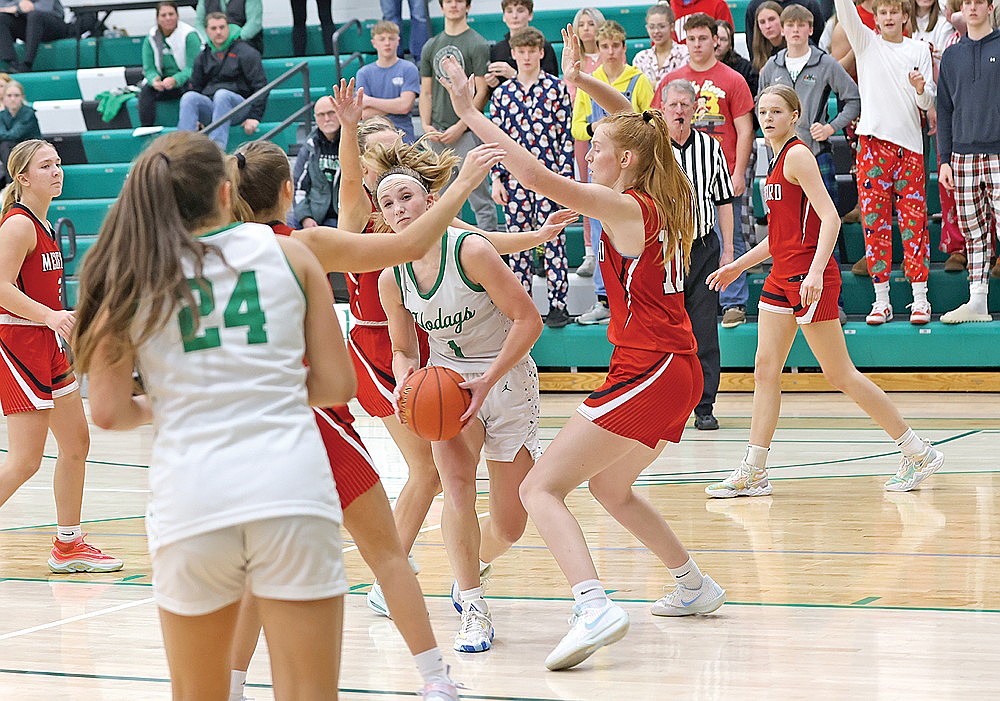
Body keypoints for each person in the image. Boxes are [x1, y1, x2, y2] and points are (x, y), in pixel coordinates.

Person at [439, 41, 726, 672]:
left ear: (622, 160)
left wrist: (472, 112)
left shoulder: (626, 206)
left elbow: (538, 179)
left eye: (595, 147)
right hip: (671, 368)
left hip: (651, 368)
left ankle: (591, 604)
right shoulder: (658, 179)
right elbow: (636, 121)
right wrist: (583, 80)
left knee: (542, 486)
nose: (587, 152)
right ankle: (693, 582)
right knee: (610, 486)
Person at [73, 130, 351, 701]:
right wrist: (256, 387)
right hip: (292, 489)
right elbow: (334, 384)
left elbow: (106, 412)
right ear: (228, 194)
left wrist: (180, 399)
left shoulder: (133, 273)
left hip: (193, 498)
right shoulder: (290, 253)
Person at [223, 139, 499, 701]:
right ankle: (435, 679)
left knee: (259, 564)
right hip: (312, 420)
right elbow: (411, 241)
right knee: (387, 556)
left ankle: (229, 684)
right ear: (286, 192)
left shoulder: (208, 258)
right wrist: (465, 183)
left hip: (245, 429)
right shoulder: (304, 245)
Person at [326, 81, 574, 623]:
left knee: (497, 514)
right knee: (434, 476)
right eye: (380, 177)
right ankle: (404, 578)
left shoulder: (439, 225)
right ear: (369, 177)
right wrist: (347, 128)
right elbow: (348, 182)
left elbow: (483, 243)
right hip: (382, 348)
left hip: (450, 351)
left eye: (405, 189)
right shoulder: (362, 221)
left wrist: (538, 236)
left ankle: (446, 567)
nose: (394, 199)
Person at [707, 85, 946, 498]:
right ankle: (754, 469)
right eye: (762, 111)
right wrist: (737, 266)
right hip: (781, 276)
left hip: (807, 278)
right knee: (765, 370)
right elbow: (779, 236)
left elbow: (831, 218)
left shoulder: (798, 155)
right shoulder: (774, 159)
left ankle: (917, 450)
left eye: (776, 111)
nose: (767, 118)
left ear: (795, 115)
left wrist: (817, 273)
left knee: (840, 374)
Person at [377, 136, 545, 656]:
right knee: (454, 490)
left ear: (430, 199)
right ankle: (472, 605)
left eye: (406, 196)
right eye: (387, 202)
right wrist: (408, 380)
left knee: (511, 522)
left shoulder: (470, 249)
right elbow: (403, 348)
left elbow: (528, 319)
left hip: (505, 375)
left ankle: (473, 567)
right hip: (448, 382)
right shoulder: (392, 275)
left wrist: (489, 380)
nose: (399, 209)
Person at [0, 139, 122, 574]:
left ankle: (68, 545)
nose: (57, 171)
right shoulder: (17, 225)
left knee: (76, 443)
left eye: (58, 163)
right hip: (20, 344)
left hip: (47, 343)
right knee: (25, 460)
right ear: (23, 177)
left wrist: (60, 320)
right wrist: (50, 316)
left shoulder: (45, 225)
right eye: (45, 165)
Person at [835, 0, 936, 325]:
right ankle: (882, 301)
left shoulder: (918, 49)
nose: (889, 17)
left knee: (914, 225)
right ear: (875, 18)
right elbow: (845, 10)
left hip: (910, 147)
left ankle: (920, 299)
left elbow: (927, 99)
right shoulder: (866, 43)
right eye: (884, 12)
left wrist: (921, 89)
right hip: (872, 146)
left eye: (895, 12)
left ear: (904, 16)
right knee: (875, 225)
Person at [656, 13, 755, 328]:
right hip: (678, 176)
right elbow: (656, 126)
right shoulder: (671, 82)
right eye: (692, 38)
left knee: (731, 235)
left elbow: (745, 129)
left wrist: (738, 170)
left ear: (716, 40)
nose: (697, 44)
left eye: (703, 38)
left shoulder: (732, 79)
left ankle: (733, 301)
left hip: (720, 165)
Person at [489, 27, 575, 328]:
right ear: (513, 53)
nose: (526, 57)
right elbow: (495, 140)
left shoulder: (556, 89)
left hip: (550, 177)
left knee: (554, 240)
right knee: (518, 243)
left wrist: (565, 180)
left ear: (541, 52)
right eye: (520, 51)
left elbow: (566, 137)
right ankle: (522, 307)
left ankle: (558, 305)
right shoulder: (502, 94)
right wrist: (496, 179)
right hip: (514, 183)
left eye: (531, 51)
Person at [662, 78, 735, 431]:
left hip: (704, 246)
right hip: (663, 249)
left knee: (704, 330)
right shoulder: (653, 149)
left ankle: (705, 407)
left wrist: (730, 251)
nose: (678, 111)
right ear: (662, 109)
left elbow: (724, 201)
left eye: (684, 105)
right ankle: (667, 403)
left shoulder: (710, 148)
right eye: (672, 105)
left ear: (695, 109)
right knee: (667, 330)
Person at [571, 20, 654, 325]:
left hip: (632, 172)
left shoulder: (639, 80)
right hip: (605, 169)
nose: (609, 51)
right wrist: (596, 129)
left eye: (614, 45)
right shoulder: (589, 81)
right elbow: (577, 127)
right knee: (600, 229)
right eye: (604, 46)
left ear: (623, 47)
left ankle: (635, 296)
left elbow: (649, 124)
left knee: (631, 233)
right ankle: (605, 299)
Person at [759, 4, 861, 210]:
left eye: (801, 25)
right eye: (790, 25)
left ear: (811, 29)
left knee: (826, 217)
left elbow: (854, 100)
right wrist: (768, 132)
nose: (796, 30)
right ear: (782, 29)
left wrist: (831, 128)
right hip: (780, 155)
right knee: (784, 218)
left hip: (815, 151)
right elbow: (758, 105)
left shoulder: (825, 63)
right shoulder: (772, 66)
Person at [938, 0, 1000, 323]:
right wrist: (944, 160)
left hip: (998, 153)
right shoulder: (951, 55)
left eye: (979, 2)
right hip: (961, 157)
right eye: (967, 2)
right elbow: (944, 111)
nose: (973, 7)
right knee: (973, 231)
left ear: (991, 7)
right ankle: (977, 301)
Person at [419, 0, 496, 232]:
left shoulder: (478, 43)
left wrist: (461, 125)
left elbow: (482, 91)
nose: (453, 5)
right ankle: (448, 252)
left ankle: (492, 252)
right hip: (437, 134)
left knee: (479, 197)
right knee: (441, 200)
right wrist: (425, 125)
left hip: (466, 133)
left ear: (468, 7)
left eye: (459, 1)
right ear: (441, 7)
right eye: (448, 1)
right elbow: (426, 91)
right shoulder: (431, 45)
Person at [178, 12, 267, 151]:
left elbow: (260, 86)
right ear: (207, 31)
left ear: (228, 28)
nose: (218, 32)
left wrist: (254, 117)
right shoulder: (202, 57)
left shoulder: (246, 52)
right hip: (212, 106)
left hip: (239, 106)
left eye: (222, 27)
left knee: (222, 95)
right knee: (189, 97)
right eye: (213, 28)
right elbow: (195, 87)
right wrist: (198, 118)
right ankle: (183, 149)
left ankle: (216, 150)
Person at [569, 7, 606, 278]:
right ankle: (590, 250)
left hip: (607, 128)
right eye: (581, 24)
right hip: (582, 127)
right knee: (584, 186)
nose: (586, 28)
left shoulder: (607, 57)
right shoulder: (573, 58)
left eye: (590, 23)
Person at [355, 21, 421, 143]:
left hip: (403, 137)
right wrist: (396, 105)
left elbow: (405, 106)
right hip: (373, 138)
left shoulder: (408, 68)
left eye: (391, 38)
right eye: (382, 39)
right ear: (374, 43)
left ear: (398, 41)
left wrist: (369, 101)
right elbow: (363, 114)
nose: (387, 43)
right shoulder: (364, 73)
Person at [140, 2, 202, 128]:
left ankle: (191, 127)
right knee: (146, 90)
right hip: (163, 83)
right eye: (163, 15)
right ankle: (147, 128)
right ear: (157, 18)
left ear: (177, 16)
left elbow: (193, 67)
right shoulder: (151, 38)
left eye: (171, 14)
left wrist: (175, 79)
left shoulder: (189, 36)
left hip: (184, 80)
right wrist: (154, 80)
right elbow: (149, 68)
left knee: (191, 89)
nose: (168, 18)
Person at [485, 0, 559, 93]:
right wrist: (493, 84)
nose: (514, 16)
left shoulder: (543, 46)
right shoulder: (497, 50)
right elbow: (495, 92)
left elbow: (552, 85)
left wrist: (514, 75)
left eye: (520, 11)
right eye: (509, 11)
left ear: (530, 15)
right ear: (504, 16)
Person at [292, 96, 342, 228]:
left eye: (331, 113)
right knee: (288, 222)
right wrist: (305, 217)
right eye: (321, 115)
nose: (327, 118)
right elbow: (298, 187)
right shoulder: (309, 147)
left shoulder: (354, 143)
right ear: (315, 118)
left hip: (343, 216)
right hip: (315, 216)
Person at [0, 0, 73, 74]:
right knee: (2, 18)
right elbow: (2, 6)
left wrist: (17, 8)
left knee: (34, 15)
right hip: (29, 26)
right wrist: (19, 5)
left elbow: (44, 7)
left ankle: (27, 64)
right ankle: (11, 64)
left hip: (52, 24)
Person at [632, 3, 689, 88]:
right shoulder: (640, 58)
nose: (656, 31)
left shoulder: (685, 53)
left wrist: (652, 85)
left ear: (672, 27)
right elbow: (638, 88)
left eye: (661, 26)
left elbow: (682, 86)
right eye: (651, 27)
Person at [0, 81, 40, 186]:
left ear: (22, 97)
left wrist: (3, 135)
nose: (13, 99)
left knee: (6, 144)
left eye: (16, 95)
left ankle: (12, 182)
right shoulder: (2, 115)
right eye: (9, 95)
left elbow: (14, 134)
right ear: (3, 98)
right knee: (5, 145)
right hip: (10, 150)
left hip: (31, 148)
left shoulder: (28, 113)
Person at [196, 0, 263, 55]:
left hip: (243, 45)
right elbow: (199, 24)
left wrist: (232, 41)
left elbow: (254, 24)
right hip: (213, 47)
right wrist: (208, 41)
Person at [745, 0, 827, 44]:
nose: (768, 25)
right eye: (762, 22)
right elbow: (753, 42)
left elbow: (819, 37)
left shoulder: (809, 3)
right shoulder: (754, 6)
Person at [716, 19, 759, 96]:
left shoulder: (746, 68)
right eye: (715, 38)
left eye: (723, 39)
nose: (718, 43)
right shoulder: (699, 66)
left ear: (730, 44)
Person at [752, 1, 788, 71]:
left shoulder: (796, 44)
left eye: (772, 19)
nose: (767, 26)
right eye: (762, 22)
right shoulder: (759, 50)